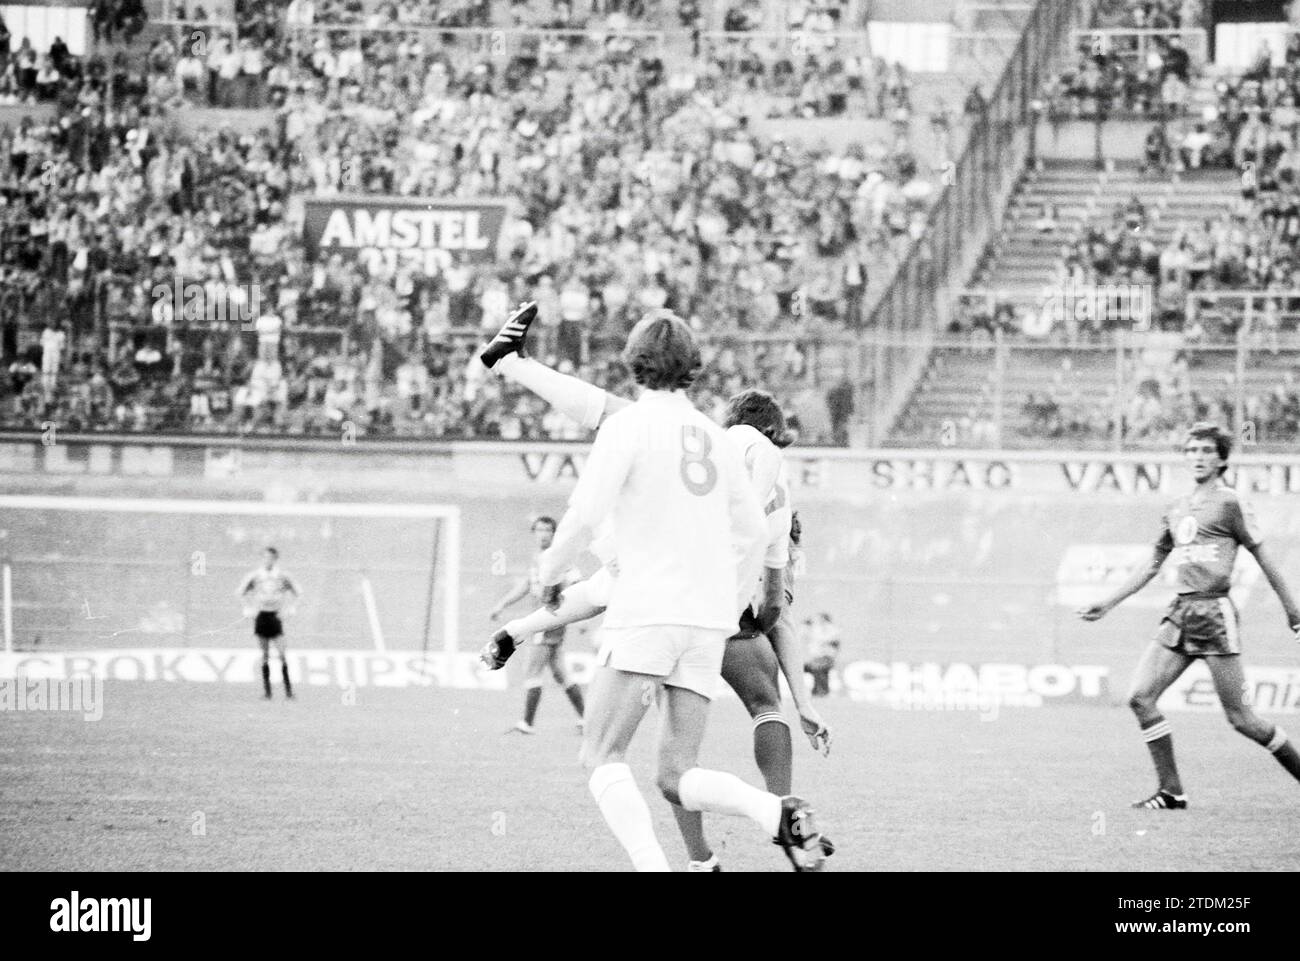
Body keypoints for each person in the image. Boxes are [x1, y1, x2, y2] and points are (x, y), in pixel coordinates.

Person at [480, 303, 833, 870]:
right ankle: (776, 814)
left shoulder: (629, 427)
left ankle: (656, 866)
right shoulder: (715, 440)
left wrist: (547, 576)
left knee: (600, 754)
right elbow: (747, 528)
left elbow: (584, 513)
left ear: (633, 363)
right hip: (707, 625)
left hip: (647, 611)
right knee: (676, 776)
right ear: (693, 367)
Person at [1078, 423, 1300, 809]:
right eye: (1191, 450)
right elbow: (1152, 565)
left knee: (1242, 719)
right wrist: (1108, 602)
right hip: (1180, 612)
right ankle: (1172, 791)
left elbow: (1265, 560)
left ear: (1221, 459)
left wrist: (1294, 612)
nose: (1197, 456)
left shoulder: (1230, 503)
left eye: (1205, 450)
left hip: (1215, 612)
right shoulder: (1177, 508)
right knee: (1140, 697)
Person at [487, 516, 586, 734]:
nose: (542, 534)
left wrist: (578, 618)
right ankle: (586, 719)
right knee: (561, 674)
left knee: (532, 671)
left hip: (547, 620)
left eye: (547, 530)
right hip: (545, 619)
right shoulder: (538, 559)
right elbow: (526, 585)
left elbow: (576, 584)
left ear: (554, 533)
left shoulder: (559, 558)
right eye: (538, 530)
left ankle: (527, 724)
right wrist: (502, 604)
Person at [237, 547, 301, 700]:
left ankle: (288, 692)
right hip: (261, 616)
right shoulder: (255, 576)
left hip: (276, 617)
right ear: (262, 559)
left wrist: (290, 609)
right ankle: (267, 692)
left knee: (282, 654)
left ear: (275, 559)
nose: (268, 560)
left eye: (271, 558)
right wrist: (248, 608)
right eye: (265, 557)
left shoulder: (283, 576)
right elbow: (241, 592)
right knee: (265, 655)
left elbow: (297, 592)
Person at [804, 612, 841, 696]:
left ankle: (821, 692)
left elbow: (830, 640)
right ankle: (818, 692)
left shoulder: (829, 628)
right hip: (818, 656)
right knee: (818, 673)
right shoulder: (818, 628)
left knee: (821, 673)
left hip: (825, 655)